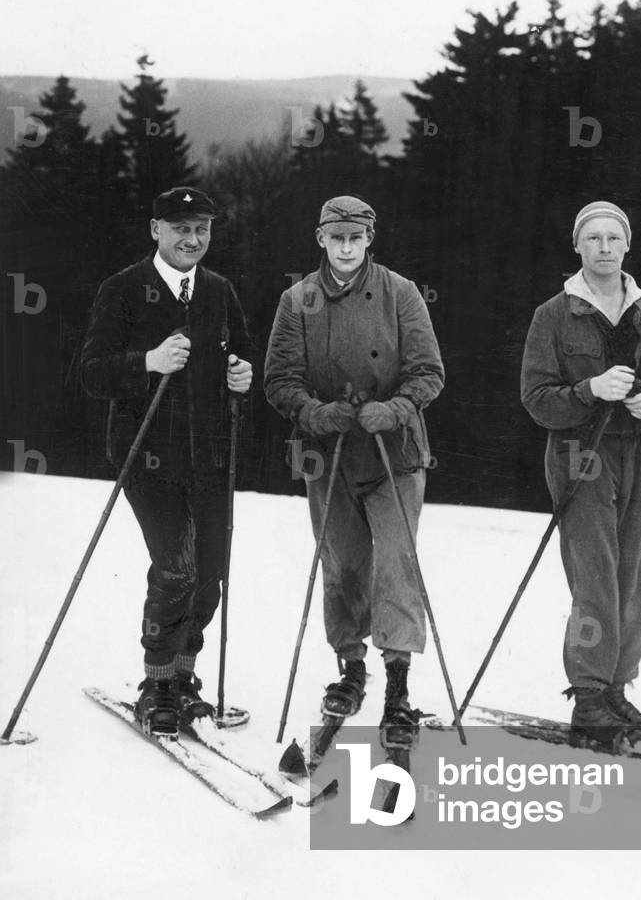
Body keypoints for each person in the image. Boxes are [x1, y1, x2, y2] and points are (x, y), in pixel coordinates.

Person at [264, 195, 444, 744]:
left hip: (394, 453)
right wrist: (314, 412)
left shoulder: (401, 292)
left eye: (356, 238)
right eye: (336, 237)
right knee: (342, 565)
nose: (346, 247)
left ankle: (398, 683)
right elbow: (279, 379)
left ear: (370, 239)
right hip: (330, 453)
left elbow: (428, 370)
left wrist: (397, 407)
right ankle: (350, 666)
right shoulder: (299, 300)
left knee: (396, 563)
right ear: (320, 238)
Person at [80, 186, 253, 736]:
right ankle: (156, 683)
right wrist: (149, 361)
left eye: (202, 228)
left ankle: (183, 676)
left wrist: (241, 377)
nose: (192, 239)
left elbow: (242, 355)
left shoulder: (220, 291)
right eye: (180, 228)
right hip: (147, 455)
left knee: (209, 577)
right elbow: (92, 372)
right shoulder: (123, 289)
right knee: (176, 568)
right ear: (156, 230)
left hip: (210, 455)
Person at [521, 201, 641, 745]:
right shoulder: (554, 313)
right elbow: (536, 399)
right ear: (578, 246)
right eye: (592, 238)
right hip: (580, 454)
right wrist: (588, 391)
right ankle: (590, 697)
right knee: (594, 574)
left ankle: (618, 689)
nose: (602, 247)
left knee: (637, 575)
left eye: (612, 238)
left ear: (627, 244)